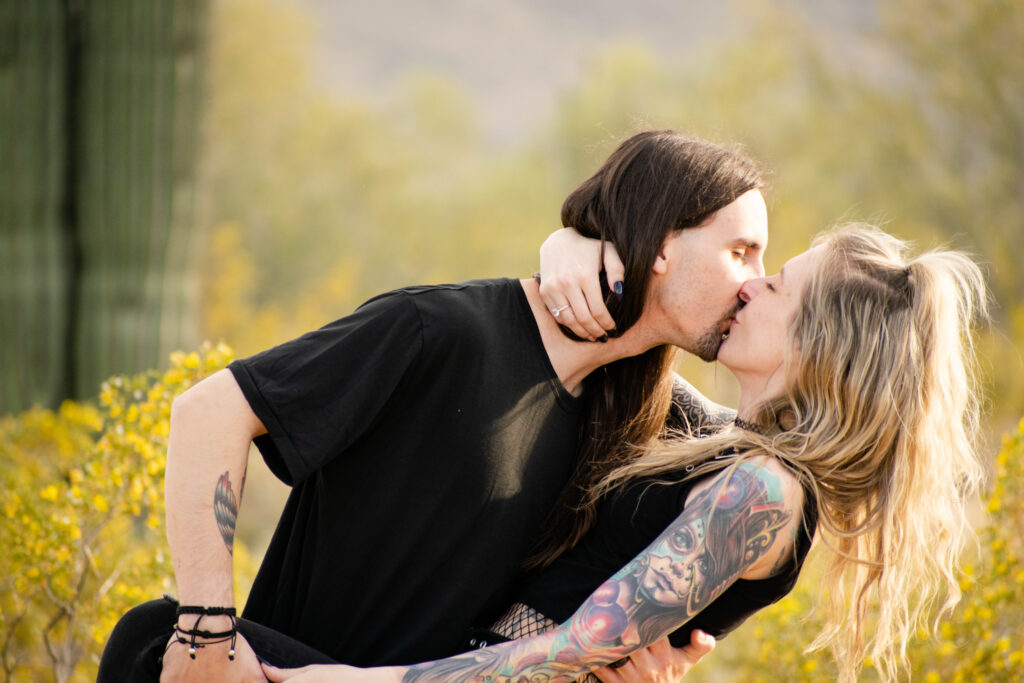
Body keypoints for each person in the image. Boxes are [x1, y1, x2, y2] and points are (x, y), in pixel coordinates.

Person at [98, 130, 769, 682]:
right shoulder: (443, 330)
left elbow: (779, 447)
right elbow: (209, 412)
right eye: (741, 252)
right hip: (277, 674)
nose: (753, 283)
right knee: (147, 640)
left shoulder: (649, 416)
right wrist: (206, 636)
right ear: (661, 246)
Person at [259, 224, 988, 683]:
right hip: (444, 653)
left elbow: (579, 644)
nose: (751, 286)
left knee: (154, 643)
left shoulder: (769, 494)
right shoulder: (716, 439)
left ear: (821, 345)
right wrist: (572, 244)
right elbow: (610, 340)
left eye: (779, 284)